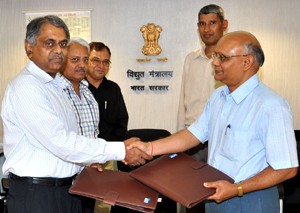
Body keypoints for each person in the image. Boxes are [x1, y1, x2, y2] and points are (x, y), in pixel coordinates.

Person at [129, 31, 299, 213]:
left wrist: (237, 189)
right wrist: (149, 148)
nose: (215, 62)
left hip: (250, 199)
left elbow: (287, 168)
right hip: (215, 197)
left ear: (246, 62)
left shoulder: (271, 105)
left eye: (223, 58)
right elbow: (192, 135)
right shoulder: (219, 96)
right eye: (216, 56)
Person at [1, 15, 151, 213]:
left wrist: (86, 166)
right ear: (29, 48)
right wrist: (122, 150)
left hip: (67, 191)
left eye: (63, 44)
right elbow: (61, 143)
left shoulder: (57, 87)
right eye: (49, 43)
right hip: (38, 196)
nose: (58, 51)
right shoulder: (26, 87)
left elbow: (73, 140)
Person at [177, 4, 228, 162]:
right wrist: (179, 135)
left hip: (223, 137)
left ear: (224, 25)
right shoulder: (190, 59)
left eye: (212, 22)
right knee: (191, 184)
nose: (207, 29)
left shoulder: (232, 59)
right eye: (202, 24)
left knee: (221, 184)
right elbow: (183, 100)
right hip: (192, 137)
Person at [85, 42, 129, 212]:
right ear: (86, 61)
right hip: (83, 158)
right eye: (95, 60)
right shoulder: (77, 88)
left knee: (106, 205)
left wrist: (108, 151)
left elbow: (122, 120)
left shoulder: (113, 89)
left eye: (105, 62)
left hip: (108, 157)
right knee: (83, 203)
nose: (101, 66)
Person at [59, 37, 100, 213]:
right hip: (64, 182)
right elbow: (61, 140)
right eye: (75, 60)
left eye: (85, 60)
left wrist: (95, 161)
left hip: (89, 180)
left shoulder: (88, 93)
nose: (81, 65)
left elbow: (94, 134)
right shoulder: (56, 92)